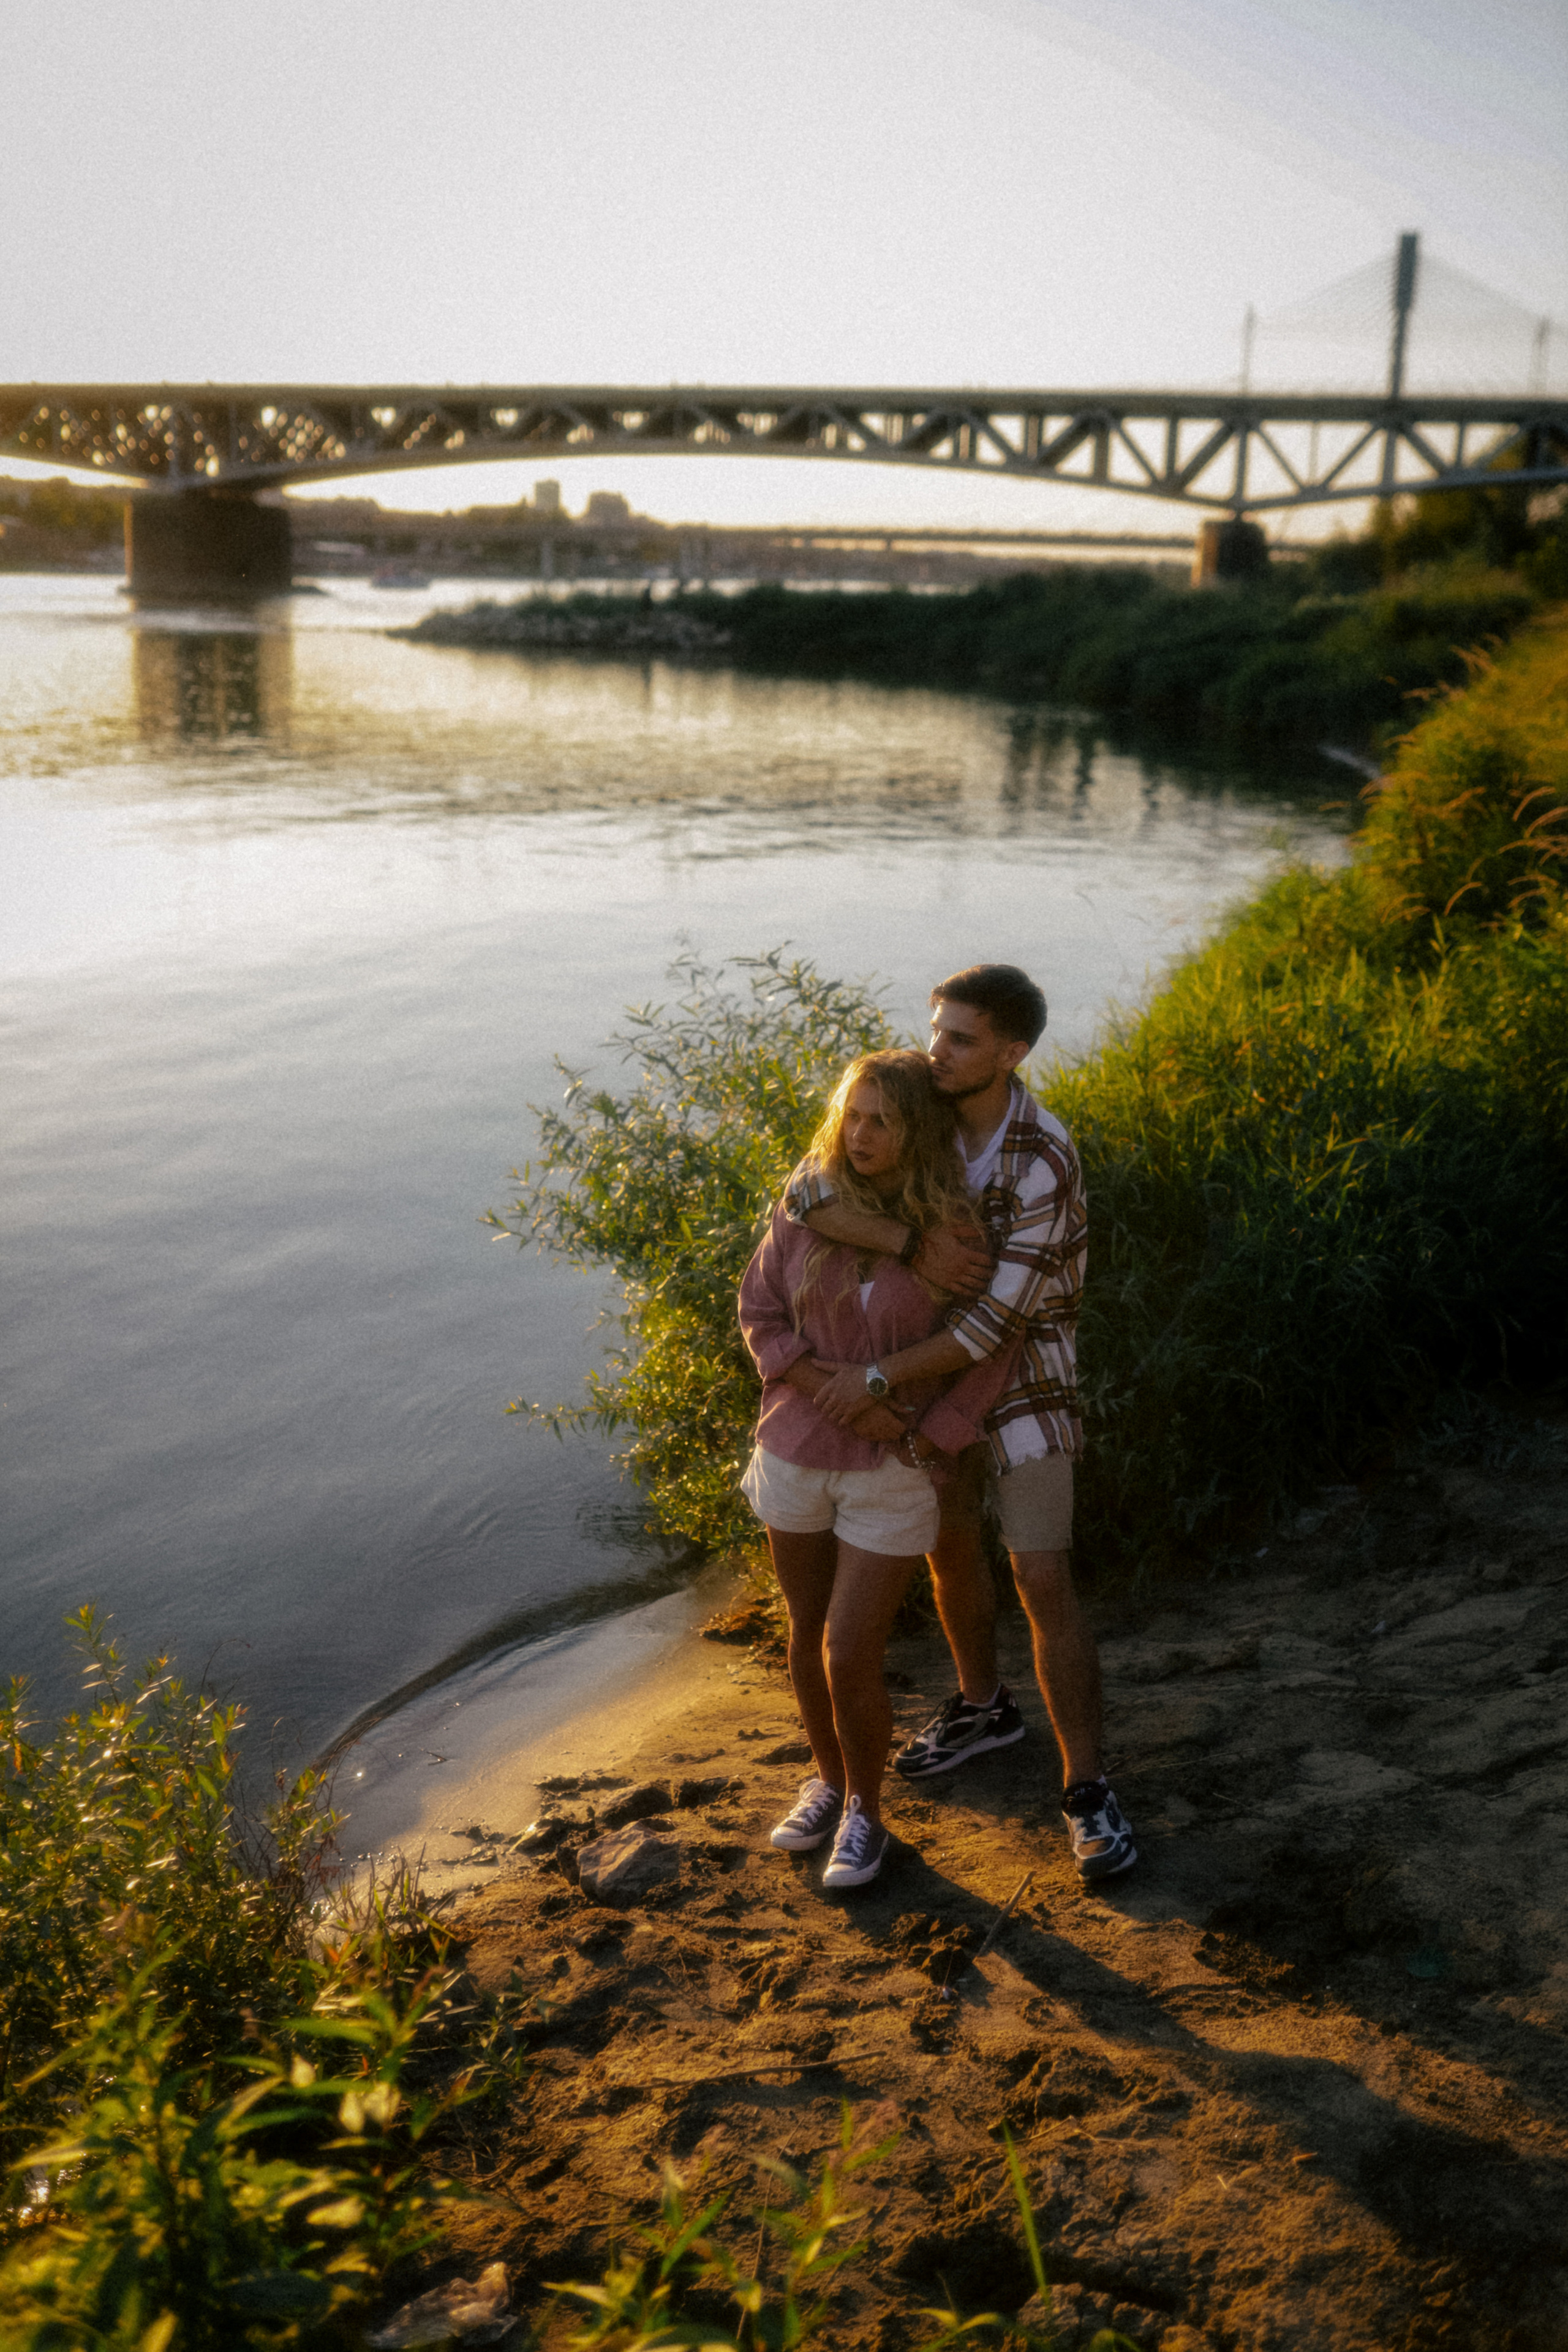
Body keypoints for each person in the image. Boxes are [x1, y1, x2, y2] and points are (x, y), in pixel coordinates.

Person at [790, 964, 1136, 1882]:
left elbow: (996, 1326)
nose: (937, 1051)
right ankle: (985, 1706)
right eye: (937, 1031)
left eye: (961, 1039)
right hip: (925, 1368)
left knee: (1040, 1571)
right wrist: (906, 1243)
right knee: (948, 1548)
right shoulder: (924, 1101)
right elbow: (805, 1193)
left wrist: (871, 1378)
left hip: (1023, 1377)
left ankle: (1088, 1790)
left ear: (1011, 1053)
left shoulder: (1043, 1158)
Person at [737, 1049, 1022, 1891]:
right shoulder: (807, 1204)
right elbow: (758, 1310)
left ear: (917, 1130)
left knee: (849, 1645)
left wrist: (931, 1430)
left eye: (882, 1121)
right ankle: (826, 1781)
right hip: (794, 1449)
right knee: (805, 1630)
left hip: (893, 1465)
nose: (859, 1135)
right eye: (852, 1116)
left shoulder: (956, 1233)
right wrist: (827, 1385)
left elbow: (988, 1347)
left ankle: (866, 1810)